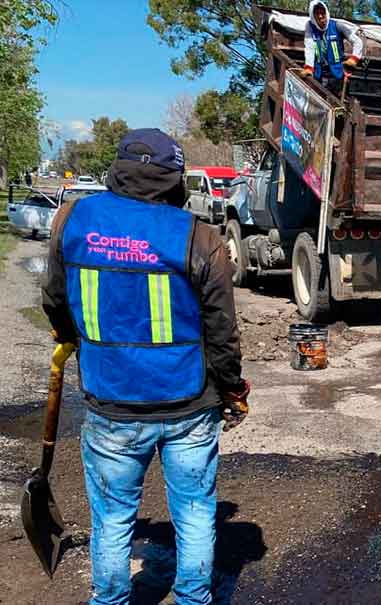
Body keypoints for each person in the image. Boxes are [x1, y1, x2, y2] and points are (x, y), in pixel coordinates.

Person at [41, 128, 249, 605]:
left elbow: (55, 301)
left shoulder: (73, 220)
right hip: (189, 405)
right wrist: (233, 390)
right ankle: (194, 598)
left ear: (118, 169)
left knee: (113, 517)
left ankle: (110, 599)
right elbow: (222, 333)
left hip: (111, 400)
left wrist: (73, 340)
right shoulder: (199, 236)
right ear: (175, 179)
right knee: (195, 510)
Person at [304, 0, 364, 96]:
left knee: (336, 103)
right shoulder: (310, 27)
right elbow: (309, 48)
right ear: (312, 16)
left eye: (322, 13)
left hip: (337, 73)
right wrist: (308, 67)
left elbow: (358, 42)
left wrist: (353, 60)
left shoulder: (337, 26)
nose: (320, 16)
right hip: (319, 74)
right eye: (317, 14)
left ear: (326, 12)